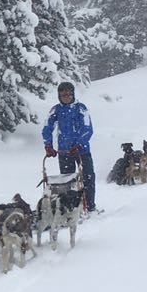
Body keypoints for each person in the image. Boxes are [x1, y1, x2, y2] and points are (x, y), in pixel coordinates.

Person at [42, 81, 96, 213]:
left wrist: (79, 144)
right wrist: (48, 145)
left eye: (68, 93)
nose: (66, 96)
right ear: (59, 95)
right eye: (63, 94)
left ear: (73, 94)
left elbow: (87, 128)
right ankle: (70, 208)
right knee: (67, 181)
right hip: (64, 151)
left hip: (81, 151)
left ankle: (89, 206)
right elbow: (47, 127)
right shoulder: (56, 110)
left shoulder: (80, 108)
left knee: (87, 178)